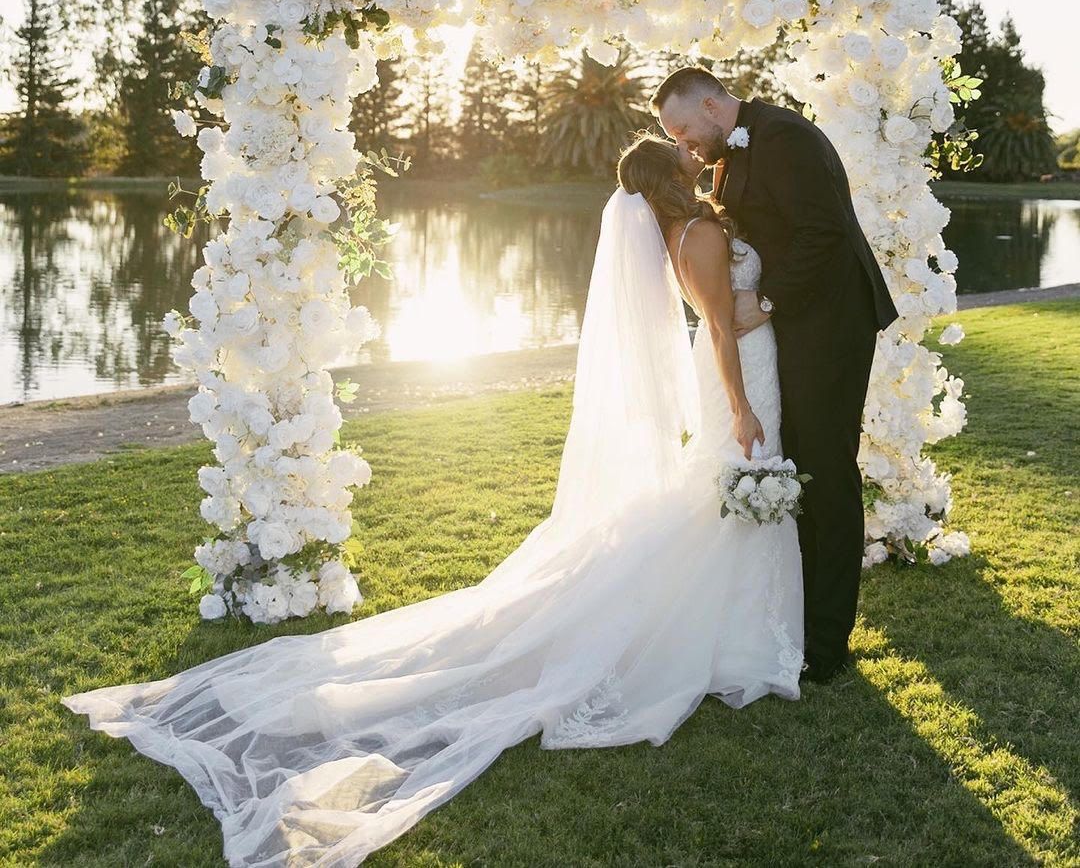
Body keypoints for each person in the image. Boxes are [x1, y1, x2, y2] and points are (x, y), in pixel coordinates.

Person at [62, 140, 802, 868]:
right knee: (726, 488)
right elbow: (718, 325)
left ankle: (737, 631)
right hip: (739, 382)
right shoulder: (699, 232)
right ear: (669, 179)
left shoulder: (687, 228)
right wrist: (740, 399)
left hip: (741, 371)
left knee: (720, 497)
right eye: (680, 155)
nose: (693, 156)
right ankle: (735, 639)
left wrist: (755, 314)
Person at [651, 66, 899, 684]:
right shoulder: (734, 147)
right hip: (795, 325)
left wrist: (765, 302)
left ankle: (828, 643)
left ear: (712, 105)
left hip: (831, 325)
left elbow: (825, 232)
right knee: (802, 465)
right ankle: (801, 615)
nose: (684, 142)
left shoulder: (785, 136)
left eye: (683, 127)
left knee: (827, 468)